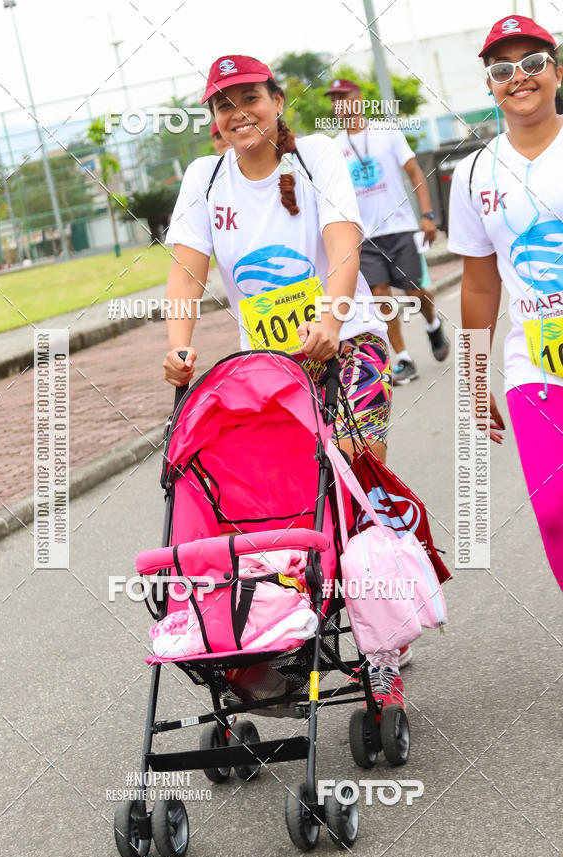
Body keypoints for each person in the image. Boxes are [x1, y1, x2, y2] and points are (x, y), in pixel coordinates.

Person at [163, 54, 405, 703]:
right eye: (224, 104)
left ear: (276, 100)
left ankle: (380, 642)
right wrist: (179, 348)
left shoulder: (316, 156)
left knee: (351, 483)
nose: (239, 112)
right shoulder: (205, 176)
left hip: (348, 343)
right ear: (214, 120)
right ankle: (284, 630)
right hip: (271, 372)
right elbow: (186, 269)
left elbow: (343, 237)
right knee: (279, 497)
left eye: (251, 97)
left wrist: (329, 318)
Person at [448, 15, 563, 590]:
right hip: (535, 366)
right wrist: (473, 377)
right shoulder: (473, 174)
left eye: (533, 63)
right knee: (554, 513)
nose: (518, 76)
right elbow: (479, 283)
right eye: (502, 69)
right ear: (491, 85)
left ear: (557, 69)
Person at [327, 78, 450, 385]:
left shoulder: (386, 132)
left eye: (343, 97)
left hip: (401, 227)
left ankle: (433, 324)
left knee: (414, 291)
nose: (338, 104)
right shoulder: (334, 147)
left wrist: (427, 215)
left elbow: (415, 172)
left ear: (358, 98)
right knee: (379, 292)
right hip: (364, 236)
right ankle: (403, 358)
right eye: (333, 99)